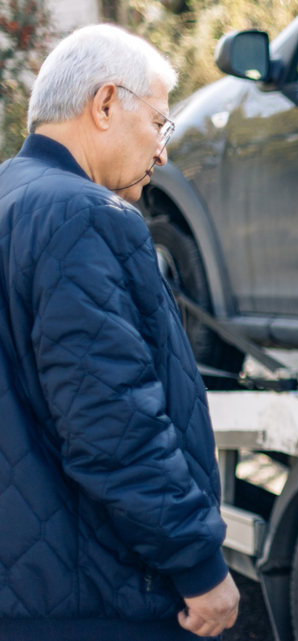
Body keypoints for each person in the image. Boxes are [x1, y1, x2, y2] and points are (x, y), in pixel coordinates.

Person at [0, 25, 238, 640]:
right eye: (160, 123)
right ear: (106, 104)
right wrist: (198, 564)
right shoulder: (84, 215)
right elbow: (113, 423)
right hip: (95, 595)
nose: (163, 153)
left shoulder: (10, 198)